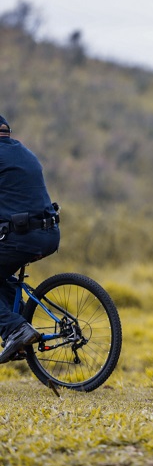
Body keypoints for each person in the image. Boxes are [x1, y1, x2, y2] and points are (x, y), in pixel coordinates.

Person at [0, 114, 61, 364]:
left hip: (22, 238)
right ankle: (21, 338)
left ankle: (16, 329)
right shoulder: (23, 152)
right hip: (49, 234)